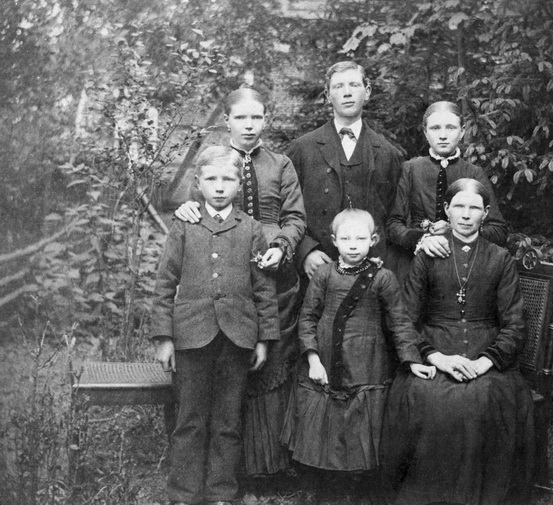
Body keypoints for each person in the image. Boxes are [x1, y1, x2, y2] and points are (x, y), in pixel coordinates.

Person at [173, 88, 306, 476]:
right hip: (221, 273)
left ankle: (267, 465)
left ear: (266, 120)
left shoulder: (280, 164)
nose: (249, 125)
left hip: (271, 273)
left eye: (256, 117)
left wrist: (281, 246)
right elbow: (190, 205)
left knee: (266, 361)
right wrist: (186, 207)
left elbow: (296, 217)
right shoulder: (212, 163)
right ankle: (214, 471)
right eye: (241, 118)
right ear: (227, 120)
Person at [380, 178, 535, 505]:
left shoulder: (499, 258)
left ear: (486, 213)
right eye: (459, 207)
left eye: (474, 208)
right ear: (446, 210)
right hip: (434, 344)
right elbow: (406, 317)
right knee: (425, 395)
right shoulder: (428, 255)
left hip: (485, 349)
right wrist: (435, 357)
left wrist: (484, 363)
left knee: (483, 397)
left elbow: (515, 323)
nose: (466, 215)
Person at [150, 146, 279, 505]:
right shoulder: (184, 224)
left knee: (228, 421)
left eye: (228, 179)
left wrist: (263, 339)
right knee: (189, 419)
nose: (219, 187)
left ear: (239, 184)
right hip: (191, 337)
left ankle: (221, 492)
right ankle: (184, 493)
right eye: (211, 179)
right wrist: (164, 338)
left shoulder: (251, 228)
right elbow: (164, 282)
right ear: (198, 182)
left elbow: (263, 288)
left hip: (237, 338)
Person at [281, 208, 435, 476]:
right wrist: (313, 360)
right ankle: (325, 478)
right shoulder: (324, 274)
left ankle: (357, 478)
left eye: (361, 239)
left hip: (366, 358)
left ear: (373, 240)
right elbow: (307, 318)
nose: (353, 245)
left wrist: (412, 360)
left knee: (359, 417)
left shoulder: (383, 277)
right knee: (325, 414)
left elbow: (399, 322)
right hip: (325, 355)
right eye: (346, 239)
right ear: (334, 240)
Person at [286, 61, 403, 280]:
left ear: (367, 92)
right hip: (317, 270)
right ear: (327, 95)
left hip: (370, 274)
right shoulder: (302, 149)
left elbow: (394, 219)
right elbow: (286, 210)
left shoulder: (389, 154)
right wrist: (305, 252)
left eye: (354, 85)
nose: (347, 93)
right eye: (338, 86)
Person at [385, 101, 507, 281]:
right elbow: (393, 225)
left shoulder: (474, 173)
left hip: (462, 268)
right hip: (414, 264)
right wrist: (421, 239)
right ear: (425, 132)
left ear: (462, 131)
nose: (443, 135)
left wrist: (456, 231)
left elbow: (498, 231)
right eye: (435, 128)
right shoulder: (410, 169)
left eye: (450, 128)